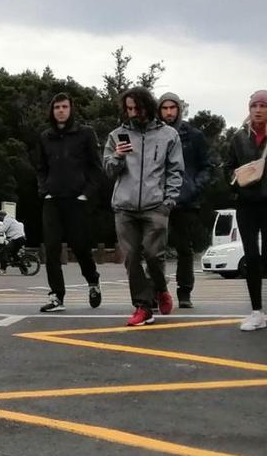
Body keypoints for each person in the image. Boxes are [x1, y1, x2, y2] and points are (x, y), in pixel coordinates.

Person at [104, 87, 184, 327]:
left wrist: (168, 202)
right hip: (124, 206)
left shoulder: (169, 135)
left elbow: (176, 171)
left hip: (155, 206)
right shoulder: (116, 135)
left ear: (147, 107)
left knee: (153, 255)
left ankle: (160, 289)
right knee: (130, 257)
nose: (133, 113)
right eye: (128, 109)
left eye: (137, 108)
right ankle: (142, 306)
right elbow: (108, 170)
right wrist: (117, 156)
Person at [36, 93, 104, 313]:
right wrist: (44, 190)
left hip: (77, 200)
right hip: (52, 200)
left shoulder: (85, 134)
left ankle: (93, 282)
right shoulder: (46, 136)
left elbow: (96, 167)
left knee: (81, 247)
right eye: (57, 107)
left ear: (71, 109)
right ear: (52, 110)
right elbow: (41, 168)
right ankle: (57, 296)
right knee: (52, 249)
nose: (61, 110)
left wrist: (87, 193)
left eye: (64, 106)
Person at [158, 92, 213, 309]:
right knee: (154, 248)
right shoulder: (153, 133)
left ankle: (184, 292)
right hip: (157, 199)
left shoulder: (194, 135)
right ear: (159, 110)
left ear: (179, 109)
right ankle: (157, 289)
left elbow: (207, 166)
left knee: (184, 248)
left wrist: (194, 187)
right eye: (165, 108)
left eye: (173, 108)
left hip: (185, 200)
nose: (169, 112)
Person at [226, 90, 267, 331]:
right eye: (254, 105)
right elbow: (227, 167)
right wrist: (235, 185)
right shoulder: (238, 138)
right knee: (251, 257)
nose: (258, 110)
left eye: (263, 105)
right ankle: (256, 312)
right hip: (247, 204)